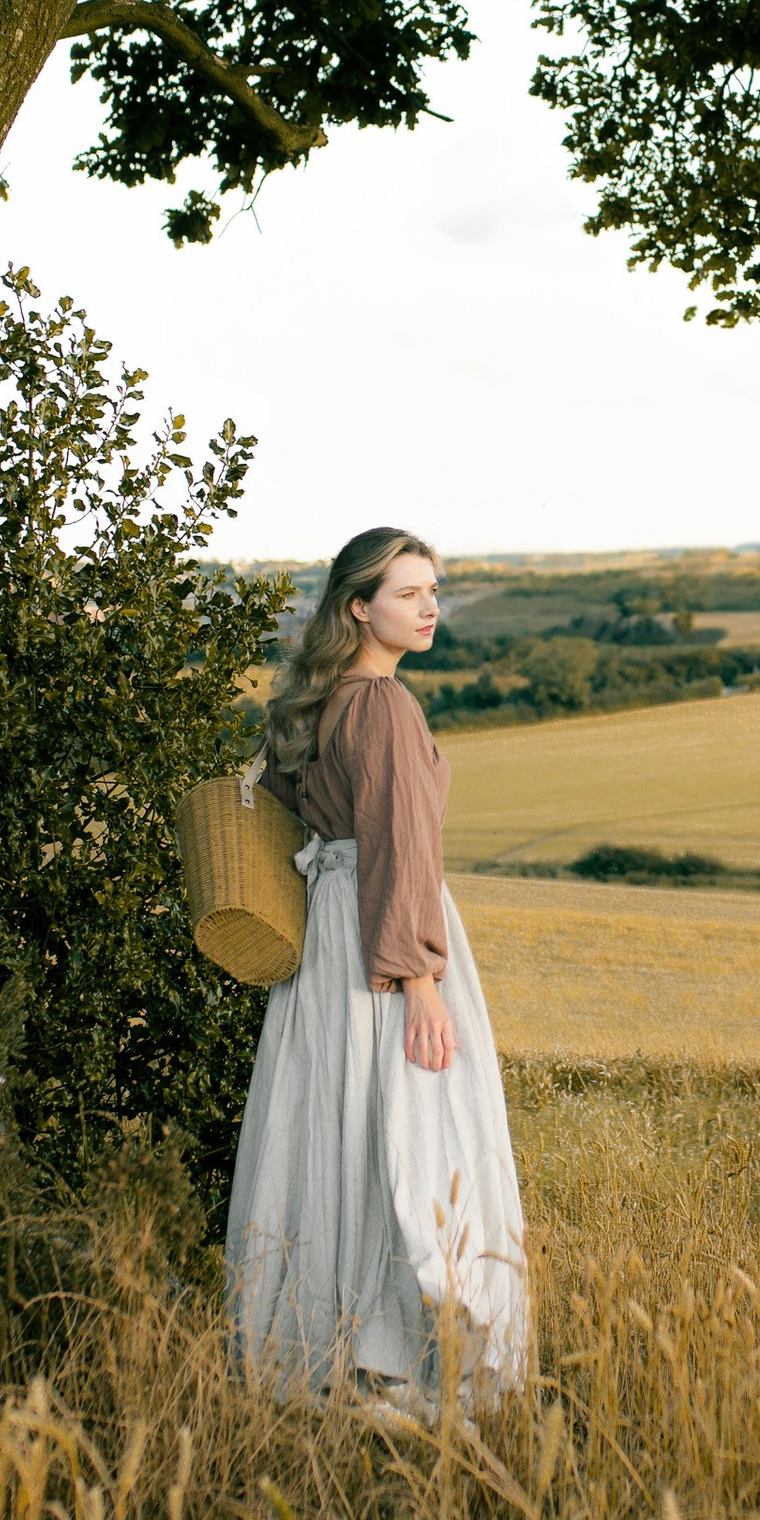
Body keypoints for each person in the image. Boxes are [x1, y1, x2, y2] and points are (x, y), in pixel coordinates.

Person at [225, 525, 531, 1396]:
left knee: (340, 1123)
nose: (430, 606)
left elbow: (288, 820)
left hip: (329, 934)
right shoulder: (385, 706)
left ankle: (332, 1339)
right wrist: (422, 983)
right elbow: (398, 847)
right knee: (415, 1133)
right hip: (383, 938)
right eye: (408, 592)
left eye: (433, 589)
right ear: (359, 607)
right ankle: (408, 1346)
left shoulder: (320, 704)